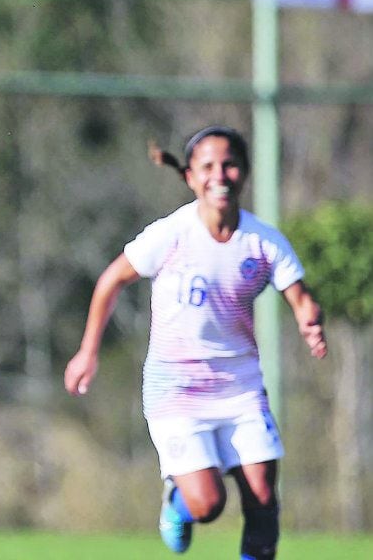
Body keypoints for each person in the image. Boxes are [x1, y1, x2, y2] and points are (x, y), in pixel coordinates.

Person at [63, 126, 327, 559]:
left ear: (244, 173)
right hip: (177, 389)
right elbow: (111, 279)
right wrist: (89, 351)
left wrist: (309, 321)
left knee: (262, 499)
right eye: (208, 166)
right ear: (190, 177)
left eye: (230, 164)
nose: (219, 175)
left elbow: (300, 297)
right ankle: (178, 503)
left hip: (239, 385)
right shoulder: (171, 234)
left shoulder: (263, 241)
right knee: (209, 504)